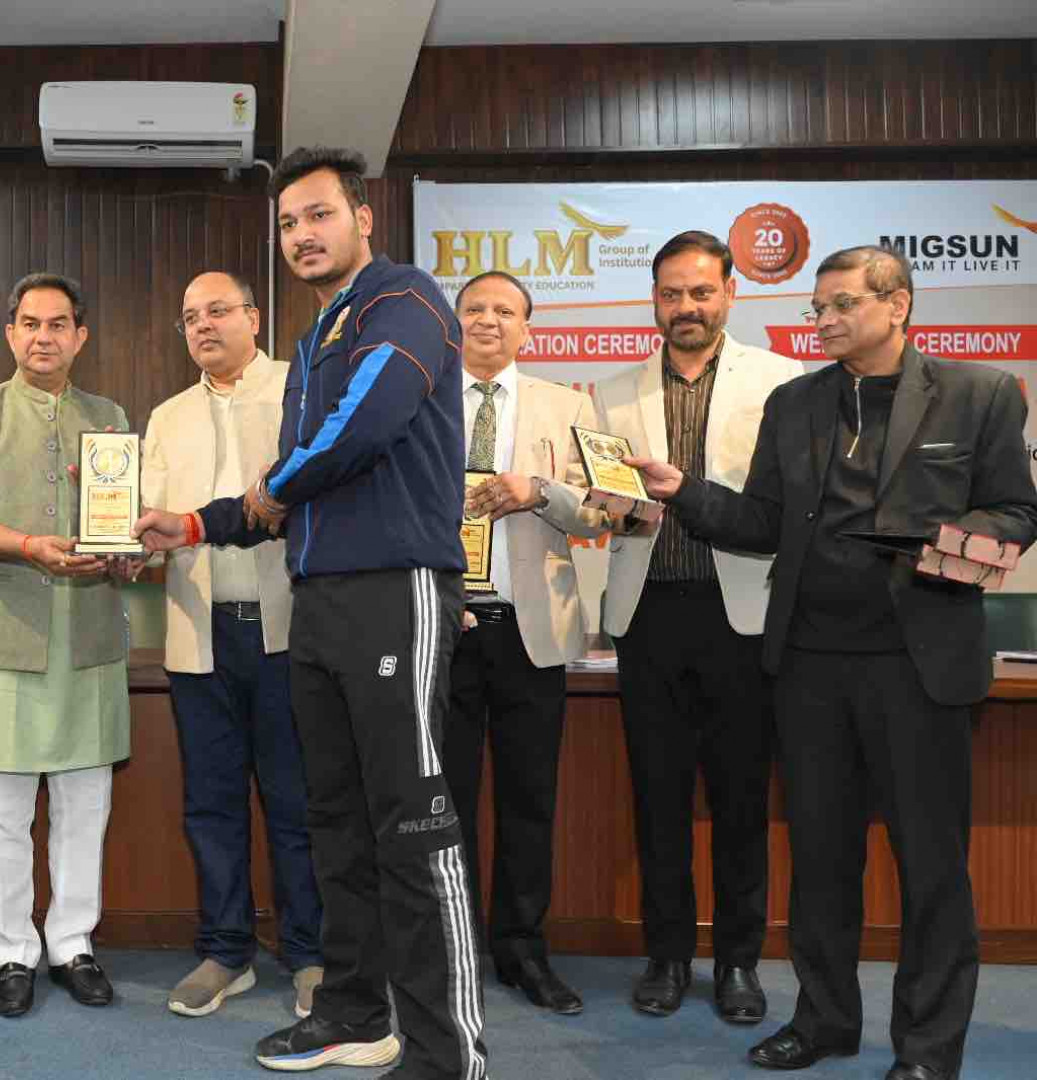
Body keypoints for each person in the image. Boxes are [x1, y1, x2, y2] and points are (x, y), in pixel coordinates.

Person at [629, 245, 1037, 1080]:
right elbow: (762, 522)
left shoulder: (981, 392)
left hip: (918, 665)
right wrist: (683, 493)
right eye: (816, 308)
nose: (823, 320)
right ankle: (823, 1022)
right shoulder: (795, 402)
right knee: (818, 861)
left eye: (842, 304)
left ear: (898, 305)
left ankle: (927, 1050)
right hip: (807, 667)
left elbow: (1015, 510)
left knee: (930, 868)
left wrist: (952, 546)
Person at [135, 146, 487, 1080]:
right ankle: (353, 1013)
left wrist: (263, 494)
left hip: (394, 590)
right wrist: (195, 524)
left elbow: (356, 430)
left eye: (318, 214)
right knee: (336, 821)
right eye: (287, 223)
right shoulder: (322, 330)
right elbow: (283, 495)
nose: (301, 234)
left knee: (413, 826)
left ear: (362, 218)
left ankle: (449, 1053)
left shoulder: (401, 300)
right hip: (319, 599)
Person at [593, 230, 802, 1022]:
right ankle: (667, 956)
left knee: (742, 799)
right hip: (646, 616)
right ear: (652, 300)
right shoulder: (609, 392)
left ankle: (738, 962)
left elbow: (782, 507)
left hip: (739, 617)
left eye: (701, 292)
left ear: (729, 294)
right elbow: (596, 502)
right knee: (657, 797)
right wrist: (602, 507)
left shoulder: (779, 381)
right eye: (671, 293)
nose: (686, 306)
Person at [0, 272, 134, 1019]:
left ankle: (73, 943)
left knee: (86, 803)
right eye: (29, 323)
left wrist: (125, 554)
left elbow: (119, 517)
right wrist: (28, 546)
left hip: (88, 634)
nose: (42, 336)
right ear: (10, 333)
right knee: (4, 809)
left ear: (80, 337)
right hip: (4, 634)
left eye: (58, 325)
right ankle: (13, 950)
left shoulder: (109, 416)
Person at [144, 270, 323, 1019]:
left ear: (254, 316)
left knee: (296, 803)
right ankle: (226, 951)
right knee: (211, 802)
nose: (202, 327)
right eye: (189, 317)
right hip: (199, 635)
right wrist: (121, 543)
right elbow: (149, 521)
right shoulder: (167, 416)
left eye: (217, 311)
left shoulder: (298, 392)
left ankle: (310, 955)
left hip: (287, 632)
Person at [441, 271, 606, 1017]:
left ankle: (520, 948)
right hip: (442, 627)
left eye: (504, 310)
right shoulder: (419, 402)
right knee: (443, 801)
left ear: (527, 329)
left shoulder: (568, 406)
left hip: (528, 632)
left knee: (528, 799)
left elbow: (600, 510)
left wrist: (537, 491)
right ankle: (450, 946)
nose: (488, 320)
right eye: (474, 308)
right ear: (455, 323)